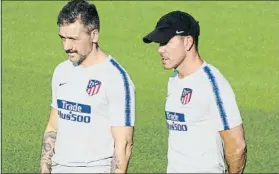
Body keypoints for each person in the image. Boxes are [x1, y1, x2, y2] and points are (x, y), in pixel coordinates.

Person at [142, 11, 247, 173]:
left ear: (188, 42)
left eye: (166, 42)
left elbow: (237, 146)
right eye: (159, 44)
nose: (160, 50)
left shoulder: (212, 84)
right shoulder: (174, 80)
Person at [39, 0, 135, 173]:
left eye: (74, 39)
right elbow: (53, 127)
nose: (67, 47)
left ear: (94, 35)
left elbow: (124, 144)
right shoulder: (61, 71)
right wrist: (45, 169)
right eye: (63, 38)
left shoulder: (116, 78)